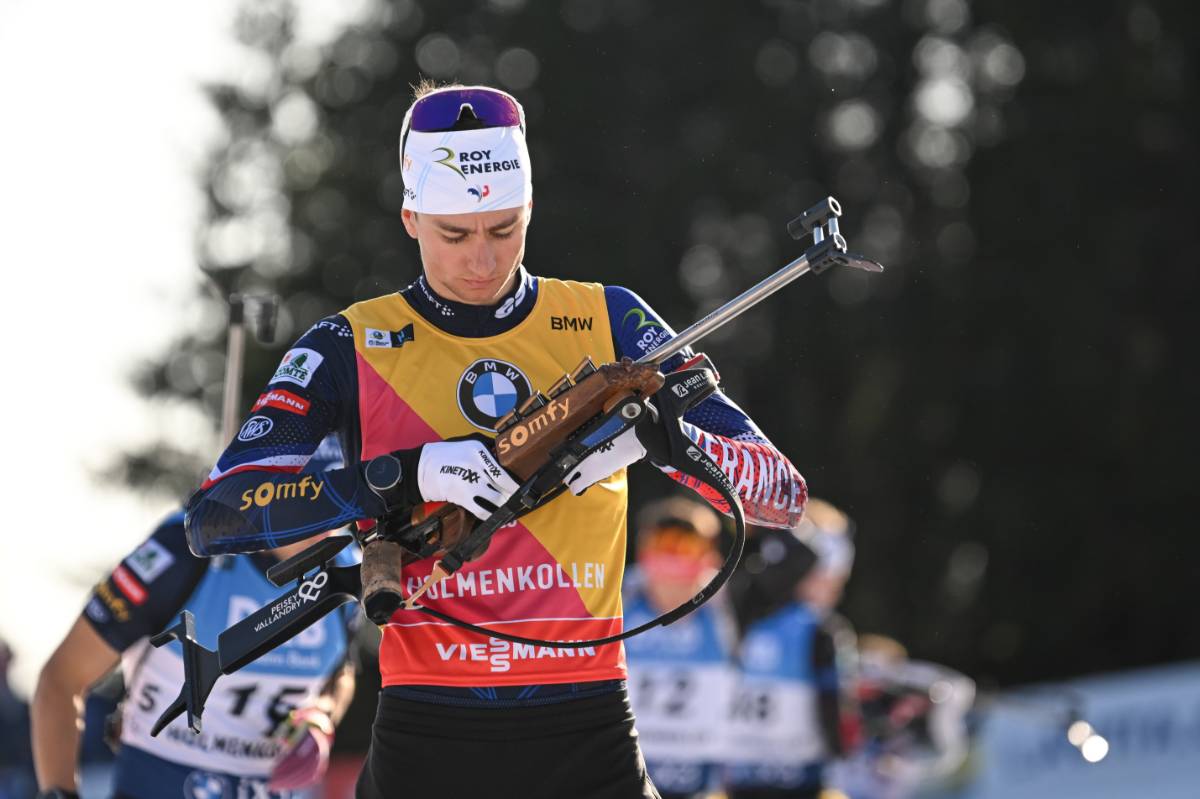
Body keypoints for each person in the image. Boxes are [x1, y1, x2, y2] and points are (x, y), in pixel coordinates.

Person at [184, 81, 808, 799]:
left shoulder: (611, 319)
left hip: (589, 727)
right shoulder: (348, 343)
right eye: (454, 234)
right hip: (427, 732)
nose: (481, 259)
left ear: (530, 207)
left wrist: (667, 439)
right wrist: (405, 473)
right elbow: (217, 515)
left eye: (504, 228)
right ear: (410, 217)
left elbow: (782, 494)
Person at [32, 446, 358, 799]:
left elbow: (342, 671)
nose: (327, 519)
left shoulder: (344, 565)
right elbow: (62, 678)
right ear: (269, 491)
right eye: (311, 497)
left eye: (339, 499)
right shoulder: (185, 551)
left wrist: (322, 718)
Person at [725, 499, 857, 799]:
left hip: (742, 780)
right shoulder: (820, 629)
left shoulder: (737, 610)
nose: (836, 587)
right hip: (791, 783)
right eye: (830, 577)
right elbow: (839, 729)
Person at [623, 497, 738, 799]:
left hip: (702, 778)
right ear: (644, 553)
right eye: (664, 546)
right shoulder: (621, 599)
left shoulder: (725, 606)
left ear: (708, 557)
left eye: (687, 548)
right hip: (628, 771)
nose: (674, 561)